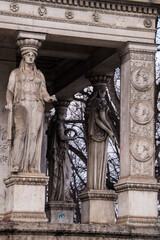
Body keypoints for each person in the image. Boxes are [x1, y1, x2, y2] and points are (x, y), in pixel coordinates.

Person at [5, 41, 57, 174]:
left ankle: (31, 165)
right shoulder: (16, 73)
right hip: (21, 104)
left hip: (37, 104)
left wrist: (49, 98)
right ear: (23, 56)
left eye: (33, 55)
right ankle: (17, 164)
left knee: (34, 134)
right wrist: (9, 103)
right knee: (21, 132)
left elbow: (43, 91)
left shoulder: (39, 74)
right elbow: (10, 91)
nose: (30, 56)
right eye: (28, 54)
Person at [85, 84, 115, 190]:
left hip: (93, 133)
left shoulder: (93, 103)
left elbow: (97, 119)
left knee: (94, 159)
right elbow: (101, 118)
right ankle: (99, 187)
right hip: (100, 134)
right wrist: (110, 130)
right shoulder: (101, 102)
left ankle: (96, 185)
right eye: (104, 92)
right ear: (100, 92)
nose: (105, 94)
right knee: (99, 159)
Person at [47, 102, 77, 201]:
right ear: (61, 113)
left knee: (65, 173)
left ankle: (62, 195)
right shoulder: (59, 123)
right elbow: (61, 136)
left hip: (60, 153)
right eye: (65, 112)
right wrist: (72, 138)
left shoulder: (57, 123)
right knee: (67, 172)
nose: (66, 114)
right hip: (61, 154)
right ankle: (63, 195)